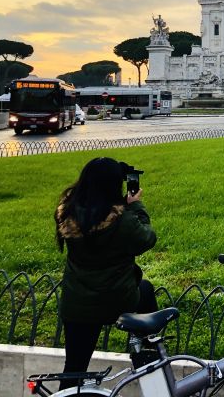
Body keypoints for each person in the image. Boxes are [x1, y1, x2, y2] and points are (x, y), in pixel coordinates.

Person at [55, 157, 158, 389]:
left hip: (78, 305)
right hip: (117, 301)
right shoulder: (121, 220)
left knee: (74, 368)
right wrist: (135, 206)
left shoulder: (66, 213)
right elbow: (147, 238)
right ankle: (146, 345)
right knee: (146, 289)